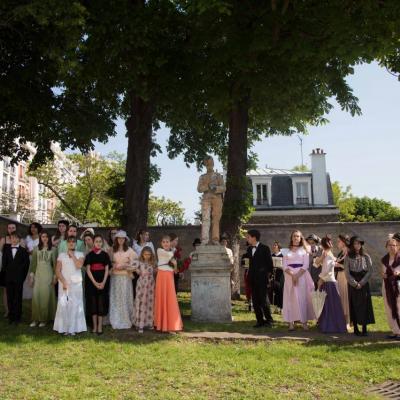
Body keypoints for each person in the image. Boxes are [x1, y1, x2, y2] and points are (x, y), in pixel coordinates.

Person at [53, 236, 86, 335]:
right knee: (64, 304)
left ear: (76, 244)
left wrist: (72, 255)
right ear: (66, 244)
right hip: (64, 283)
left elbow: (79, 266)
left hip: (76, 284)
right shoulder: (61, 255)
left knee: (75, 304)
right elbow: (57, 270)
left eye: (73, 242)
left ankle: (74, 328)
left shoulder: (80, 254)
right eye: (69, 242)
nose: (71, 243)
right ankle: (64, 328)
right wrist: (64, 282)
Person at [282, 230, 315, 331]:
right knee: (290, 299)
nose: (296, 238)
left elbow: (306, 265)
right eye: (294, 236)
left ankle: (304, 322)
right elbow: (284, 265)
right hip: (289, 277)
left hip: (302, 276)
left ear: (301, 238)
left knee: (302, 298)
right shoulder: (286, 251)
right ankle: (291, 323)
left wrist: (297, 276)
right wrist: (292, 275)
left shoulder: (305, 250)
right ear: (291, 238)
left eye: (298, 236)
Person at [344, 236, 375, 336]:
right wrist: (354, 283)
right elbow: (347, 272)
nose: (357, 245)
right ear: (352, 245)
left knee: (364, 304)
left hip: (363, 283)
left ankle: (364, 327)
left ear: (361, 244)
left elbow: (370, 271)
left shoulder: (366, 256)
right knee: (354, 305)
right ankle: (356, 328)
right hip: (352, 284)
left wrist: (361, 283)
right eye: (354, 243)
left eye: (358, 243)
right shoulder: (348, 257)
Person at [315, 236, 347, 333]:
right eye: (331, 242)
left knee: (330, 304)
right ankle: (333, 325)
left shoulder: (327, 253)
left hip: (329, 281)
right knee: (331, 304)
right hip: (329, 281)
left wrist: (321, 279)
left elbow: (326, 268)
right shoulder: (327, 253)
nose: (332, 243)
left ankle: (331, 325)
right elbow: (323, 267)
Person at [244, 229, 274, 328]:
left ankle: (269, 320)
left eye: (248, 237)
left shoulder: (265, 248)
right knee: (255, 300)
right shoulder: (249, 249)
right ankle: (259, 320)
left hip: (262, 279)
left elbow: (270, 264)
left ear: (254, 237)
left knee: (264, 300)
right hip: (252, 278)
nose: (247, 238)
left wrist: (268, 277)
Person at [109, 230, 137, 329]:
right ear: (116, 239)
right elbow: (109, 262)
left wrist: (125, 266)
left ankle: (126, 318)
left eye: (122, 238)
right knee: (116, 298)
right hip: (115, 277)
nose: (121, 240)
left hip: (125, 278)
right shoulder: (112, 249)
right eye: (119, 238)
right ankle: (116, 318)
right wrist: (114, 266)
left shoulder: (129, 250)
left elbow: (135, 263)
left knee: (124, 297)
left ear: (125, 240)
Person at [154, 235, 183, 332]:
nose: (166, 243)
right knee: (161, 298)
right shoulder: (159, 251)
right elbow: (169, 255)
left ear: (170, 243)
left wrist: (175, 265)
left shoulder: (173, 252)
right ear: (161, 243)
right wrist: (174, 252)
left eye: (167, 242)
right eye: (164, 242)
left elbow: (175, 271)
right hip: (161, 276)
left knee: (170, 298)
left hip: (169, 276)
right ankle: (160, 324)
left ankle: (171, 325)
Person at [28, 231, 57, 327]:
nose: (44, 238)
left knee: (45, 297)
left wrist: (55, 277)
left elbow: (55, 265)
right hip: (38, 275)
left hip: (48, 275)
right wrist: (31, 277)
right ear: (40, 238)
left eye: (46, 236)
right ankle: (35, 319)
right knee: (36, 296)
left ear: (49, 238)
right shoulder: (36, 249)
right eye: (42, 237)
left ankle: (44, 319)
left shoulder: (53, 249)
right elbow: (33, 264)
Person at [84, 235, 111, 334]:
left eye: (100, 242)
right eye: (96, 241)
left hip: (103, 282)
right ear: (93, 242)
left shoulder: (105, 254)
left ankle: (100, 326)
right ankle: (94, 326)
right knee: (93, 305)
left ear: (102, 243)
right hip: (92, 282)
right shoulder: (89, 254)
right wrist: (95, 283)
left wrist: (103, 282)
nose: (98, 243)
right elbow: (88, 270)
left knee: (100, 304)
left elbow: (107, 269)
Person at [1, 232, 30, 324]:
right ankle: (11, 317)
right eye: (12, 238)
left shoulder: (23, 251)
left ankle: (17, 317)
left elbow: (26, 265)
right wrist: (6, 276)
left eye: (16, 238)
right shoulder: (6, 250)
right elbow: (4, 265)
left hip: (19, 278)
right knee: (10, 297)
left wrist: (22, 277)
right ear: (10, 239)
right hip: (9, 278)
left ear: (19, 239)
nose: (14, 239)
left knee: (18, 297)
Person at [197, 155, 226, 244]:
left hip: (217, 198)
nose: (209, 165)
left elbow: (224, 188)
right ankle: (205, 240)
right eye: (207, 164)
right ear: (205, 165)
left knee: (216, 219)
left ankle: (215, 239)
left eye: (210, 163)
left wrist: (216, 188)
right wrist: (208, 187)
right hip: (206, 199)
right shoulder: (202, 177)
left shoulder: (218, 176)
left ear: (213, 164)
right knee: (205, 219)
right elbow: (199, 189)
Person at [381, 236, 400, 339]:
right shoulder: (384, 259)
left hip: (398, 286)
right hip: (387, 286)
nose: (393, 247)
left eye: (395, 245)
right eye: (391, 245)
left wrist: (398, 273)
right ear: (387, 247)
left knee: (399, 308)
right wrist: (383, 274)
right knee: (389, 308)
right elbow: (382, 272)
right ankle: (395, 330)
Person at [134, 247, 156, 333]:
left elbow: (155, 271)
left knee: (150, 302)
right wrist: (137, 270)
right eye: (145, 254)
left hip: (150, 284)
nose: (147, 256)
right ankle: (140, 324)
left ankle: (149, 323)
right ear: (142, 254)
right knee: (141, 302)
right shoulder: (139, 262)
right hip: (141, 284)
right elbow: (134, 268)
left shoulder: (153, 263)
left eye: (149, 254)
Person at [0, 222, 19, 318]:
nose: (11, 229)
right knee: (6, 291)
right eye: (9, 228)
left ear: (16, 228)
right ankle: (7, 310)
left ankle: (15, 310)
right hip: (6, 269)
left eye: (13, 227)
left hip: (16, 270)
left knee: (16, 291)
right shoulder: (3, 240)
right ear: (7, 229)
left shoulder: (20, 240)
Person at [23, 222, 43, 300]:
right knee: (28, 275)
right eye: (31, 227)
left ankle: (37, 293)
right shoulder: (27, 237)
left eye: (35, 227)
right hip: (28, 259)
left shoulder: (41, 237)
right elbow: (24, 248)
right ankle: (28, 294)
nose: (33, 229)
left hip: (38, 259)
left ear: (38, 228)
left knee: (37, 275)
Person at [334, 234, 351, 327]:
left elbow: (352, 266)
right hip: (340, 276)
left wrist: (339, 265)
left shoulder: (349, 253)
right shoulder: (341, 253)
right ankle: (343, 319)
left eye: (339, 241)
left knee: (346, 297)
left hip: (346, 277)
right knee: (341, 297)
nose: (337, 243)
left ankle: (348, 321)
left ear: (344, 242)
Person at [270, 241, 284, 311]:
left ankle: (280, 306)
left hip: (280, 276)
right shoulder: (271, 256)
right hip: (273, 275)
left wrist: (280, 266)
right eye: (274, 245)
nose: (274, 247)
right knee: (273, 291)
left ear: (279, 247)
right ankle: (274, 305)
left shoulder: (282, 256)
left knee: (280, 291)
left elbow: (285, 267)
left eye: (275, 245)